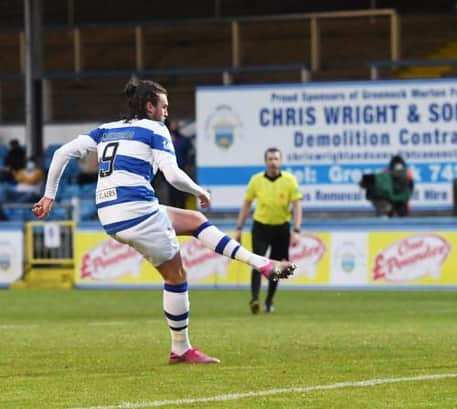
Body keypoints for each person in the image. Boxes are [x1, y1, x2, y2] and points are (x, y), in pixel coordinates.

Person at [32, 79, 296, 364]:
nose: (167, 112)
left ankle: (261, 263)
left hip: (109, 213)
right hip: (138, 211)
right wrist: (199, 190)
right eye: (164, 106)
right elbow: (172, 175)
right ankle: (181, 348)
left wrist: (49, 196)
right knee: (176, 276)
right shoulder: (156, 130)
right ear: (150, 106)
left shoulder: (106, 129)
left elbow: (61, 153)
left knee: (195, 220)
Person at [235, 147, 303, 314]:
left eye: (276, 159)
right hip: (261, 227)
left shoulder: (290, 180)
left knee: (278, 266)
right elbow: (246, 204)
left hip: (281, 228)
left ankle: (269, 300)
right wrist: (239, 227)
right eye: (270, 159)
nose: (273, 162)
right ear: (266, 161)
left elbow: (297, 206)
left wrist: (297, 229)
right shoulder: (256, 180)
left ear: (280, 161)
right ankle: (255, 299)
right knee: (257, 263)